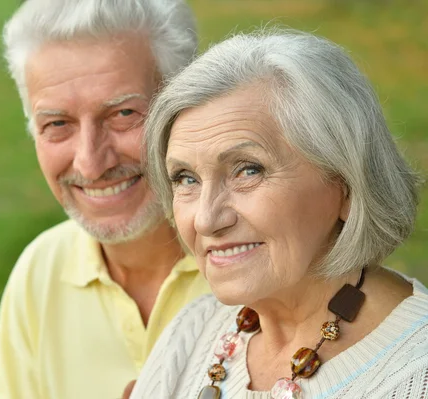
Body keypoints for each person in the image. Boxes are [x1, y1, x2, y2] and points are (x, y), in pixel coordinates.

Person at [131, 28, 427, 398]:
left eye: (248, 170)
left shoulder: (414, 374)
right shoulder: (193, 331)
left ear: (347, 184)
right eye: (186, 178)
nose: (206, 219)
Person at [0, 1, 210, 398]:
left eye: (124, 113)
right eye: (57, 124)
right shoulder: (38, 274)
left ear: (184, 106)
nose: (91, 164)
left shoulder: (262, 267)